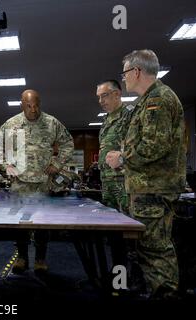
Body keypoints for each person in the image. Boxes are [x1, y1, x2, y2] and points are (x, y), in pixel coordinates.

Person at [106, 49, 186, 299]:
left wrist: (121, 158)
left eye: (125, 72)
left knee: (156, 249)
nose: (124, 78)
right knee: (146, 249)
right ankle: (155, 290)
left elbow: (154, 146)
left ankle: (164, 294)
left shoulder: (158, 100)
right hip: (145, 189)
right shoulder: (147, 101)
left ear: (137, 71)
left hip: (154, 189)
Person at [0, 89, 74, 276]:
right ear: (22, 105)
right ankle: (22, 258)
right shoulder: (12, 124)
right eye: (29, 106)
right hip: (20, 183)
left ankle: (40, 259)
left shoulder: (51, 122)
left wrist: (56, 164)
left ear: (40, 103)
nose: (33, 110)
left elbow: (68, 143)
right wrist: (6, 165)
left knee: (42, 223)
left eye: (36, 105)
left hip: (43, 182)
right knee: (20, 223)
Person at [96, 80, 134, 213]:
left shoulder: (131, 115)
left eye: (104, 95)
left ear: (117, 94)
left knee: (128, 221)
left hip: (124, 181)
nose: (100, 100)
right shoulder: (106, 120)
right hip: (107, 180)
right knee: (110, 221)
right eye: (99, 97)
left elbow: (139, 145)